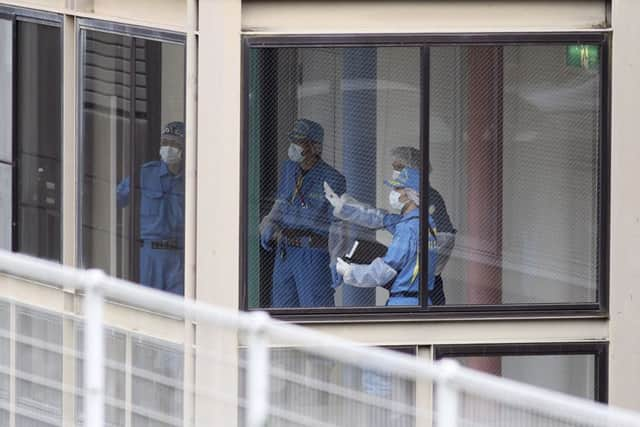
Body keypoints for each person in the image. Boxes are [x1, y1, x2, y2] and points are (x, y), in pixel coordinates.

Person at [259, 118, 346, 307]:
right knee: (282, 311)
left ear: (315, 146)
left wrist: (335, 259)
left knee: (315, 310)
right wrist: (269, 224)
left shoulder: (332, 179)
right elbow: (280, 204)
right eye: (293, 141)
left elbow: (337, 226)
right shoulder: (289, 169)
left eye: (299, 142)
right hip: (285, 251)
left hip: (312, 253)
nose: (294, 146)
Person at [328, 167, 437, 306]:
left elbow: (386, 269)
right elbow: (381, 218)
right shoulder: (425, 223)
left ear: (410, 194)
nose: (393, 192)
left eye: (397, 189)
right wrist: (343, 207)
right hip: (421, 302)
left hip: (404, 304)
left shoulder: (407, 228)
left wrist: (351, 272)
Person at [117, 121, 185, 295]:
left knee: (177, 311)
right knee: (147, 310)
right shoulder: (145, 174)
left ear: (184, 149)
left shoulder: (190, 181)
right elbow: (117, 199)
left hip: (178, 256)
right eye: (165, 143)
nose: (169, 148)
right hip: (149, 256)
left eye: (175, 144)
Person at [390, 146, 456, 304]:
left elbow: (439, 239)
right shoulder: (420, 194)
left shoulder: (424, 196)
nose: (395, 172)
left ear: (413, 168)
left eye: (399, 167)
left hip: (425, 285)